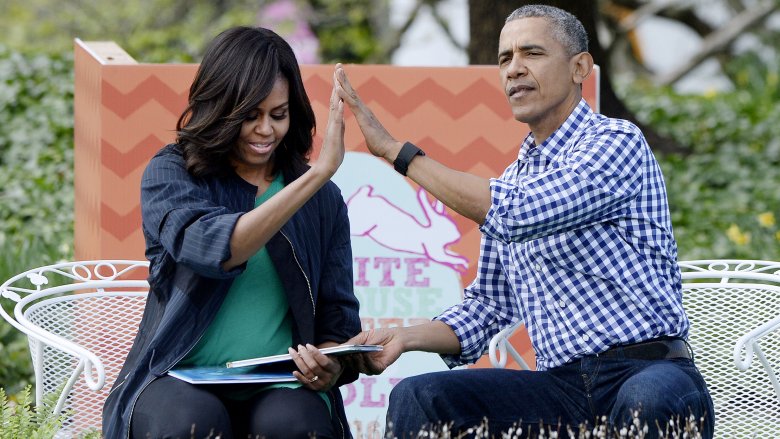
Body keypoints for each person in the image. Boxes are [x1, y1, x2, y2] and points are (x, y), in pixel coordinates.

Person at [334, 5, 714, 438]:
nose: (514, 69)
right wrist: (402, 337)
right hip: (562, 390)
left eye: (532, 53)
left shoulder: (615, 143)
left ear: (580, 68)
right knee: (422, 398)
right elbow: (487, 308)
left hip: (649, 373)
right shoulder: (514, 178)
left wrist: (396, 153)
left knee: (645, 402)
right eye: (504, 58)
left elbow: (516, 212)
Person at [102, 26, 361, 439]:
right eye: (249, 115)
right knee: (192, 425)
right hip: (176, 377)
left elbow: (337, 317)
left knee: (296, 426)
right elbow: (214, 249)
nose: (265, 130)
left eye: (278, 114)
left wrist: (331, 363)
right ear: (218, 107)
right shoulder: (173, 172)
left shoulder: (324, 201)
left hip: (281, 384)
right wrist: (317, 176)